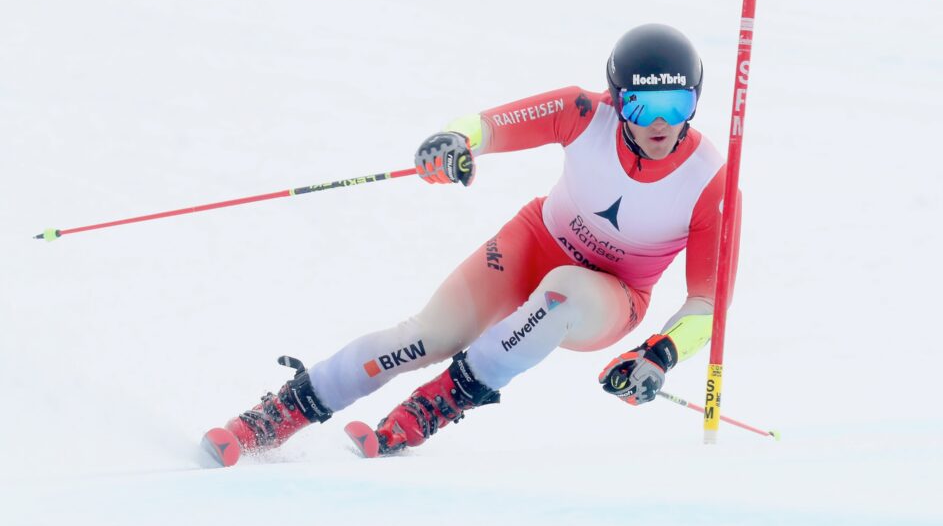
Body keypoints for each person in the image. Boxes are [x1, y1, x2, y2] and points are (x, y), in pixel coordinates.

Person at [203, 23, 739, 465]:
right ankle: (281, 414)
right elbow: (486, 125)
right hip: (532, 243)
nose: (662, 123)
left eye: (677, 103)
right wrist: (454, 142)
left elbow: (707, 304)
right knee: (426, 335)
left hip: (612, 299)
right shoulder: (583, 113)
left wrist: (661, 355)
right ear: (616, 100)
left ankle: (443, 400)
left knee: (564, 290)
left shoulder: (708, 179)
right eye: (643, 107)